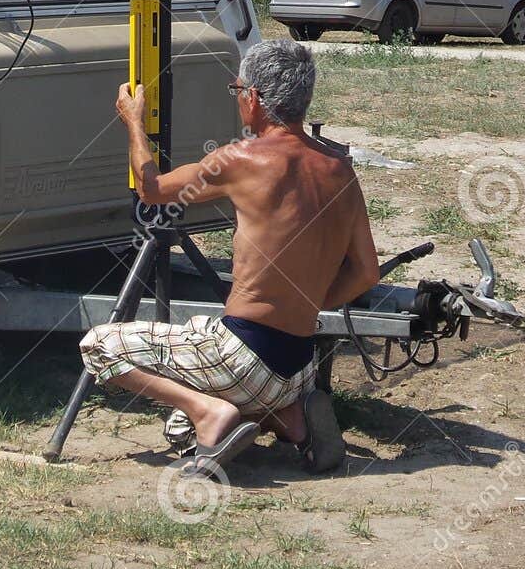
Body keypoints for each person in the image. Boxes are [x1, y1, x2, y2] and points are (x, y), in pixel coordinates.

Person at [78, 38, 379, 477]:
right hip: (298, 365)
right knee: (178, 427)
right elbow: (367, 271)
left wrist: (133, 123)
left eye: (238, 91)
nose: (238, 100)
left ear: (254, 98)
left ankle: (208, 411)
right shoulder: (339, 169)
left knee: (98, 347)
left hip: (240, 354)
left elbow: (152, 189)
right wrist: (313, 303)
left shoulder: (242, 159)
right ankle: (288, 420)